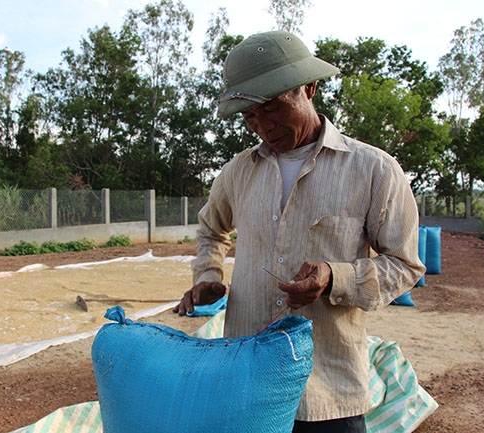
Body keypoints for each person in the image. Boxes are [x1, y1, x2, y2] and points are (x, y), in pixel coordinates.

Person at [173, 30, 425, 433]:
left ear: (308, 87)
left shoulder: (374, 170)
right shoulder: (238, 172)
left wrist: (335, 278)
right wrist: (208, 277)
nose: (262, 126)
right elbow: (210, 229)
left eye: (272, 107)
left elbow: (405, 265)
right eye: (250, 115)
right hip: (246, 384)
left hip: (327, 393)